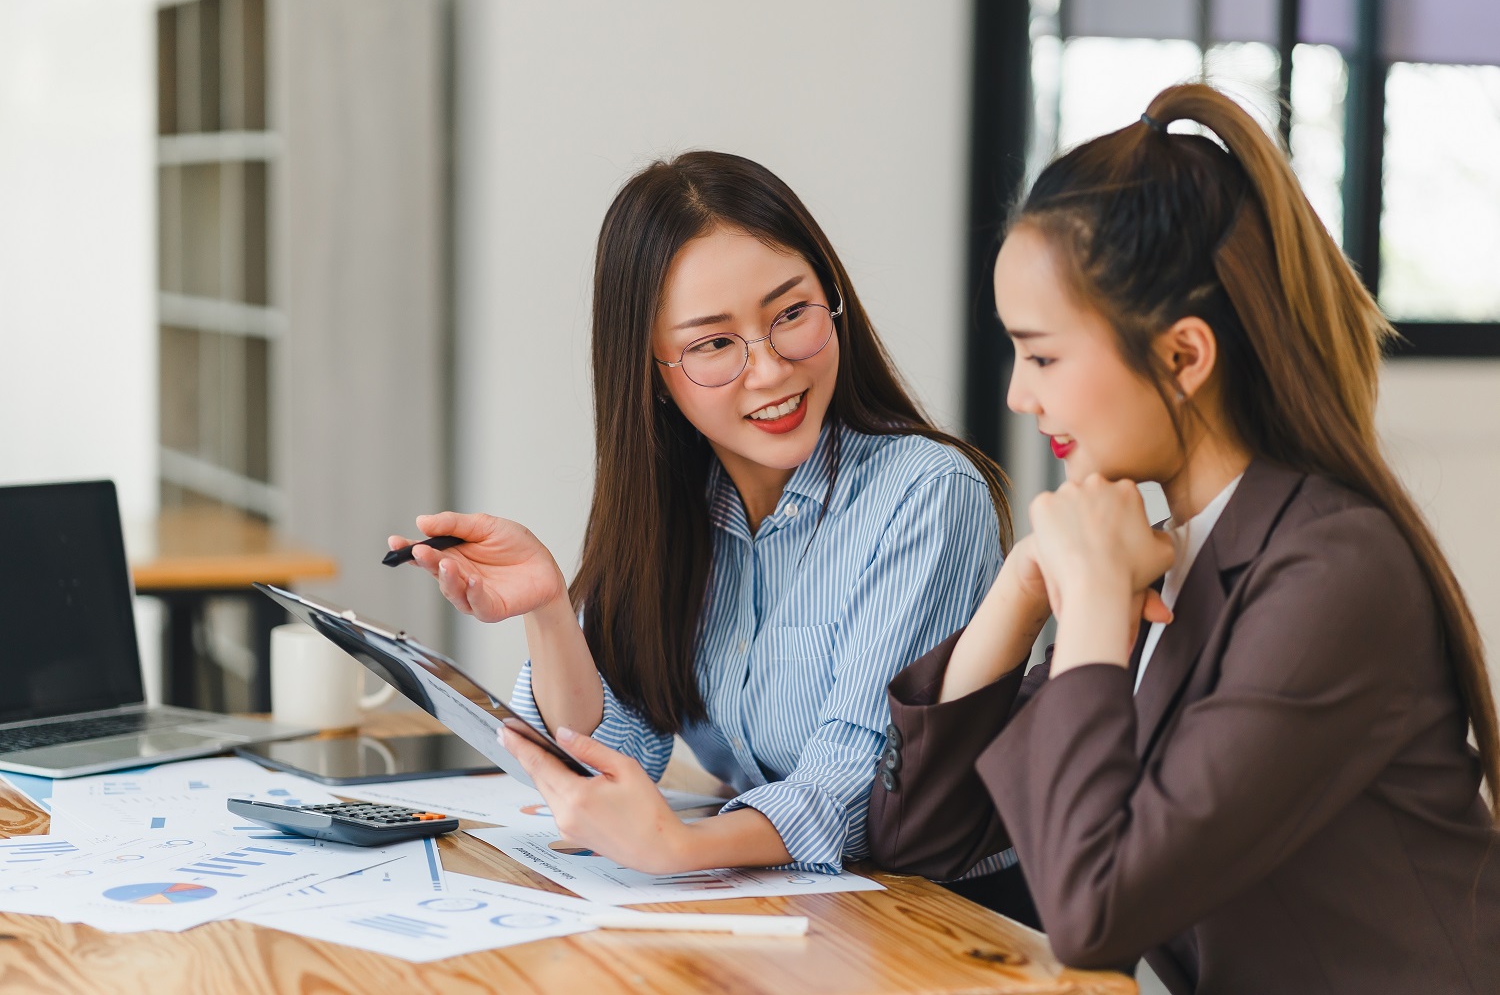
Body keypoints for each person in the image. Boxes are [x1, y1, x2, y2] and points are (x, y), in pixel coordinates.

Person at [867, 84, 1500, 994]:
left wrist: (1089, 617)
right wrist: (1023, 591)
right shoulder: (1173, 546)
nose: (1018, 394)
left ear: (1183, 356)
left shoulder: (1332, 570)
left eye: (1042, 355)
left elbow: (1094, 915)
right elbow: (916, 839)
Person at [391, 151, 1011, 875]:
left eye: (791, 314)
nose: (772, 369)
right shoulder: (681, 509)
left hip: (943, 921)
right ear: (651, 371)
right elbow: (607, 766)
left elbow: (862, 786)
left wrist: (682, 847)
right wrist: (550, 609)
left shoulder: (928, 495)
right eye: (714, 344)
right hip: (800, 909)